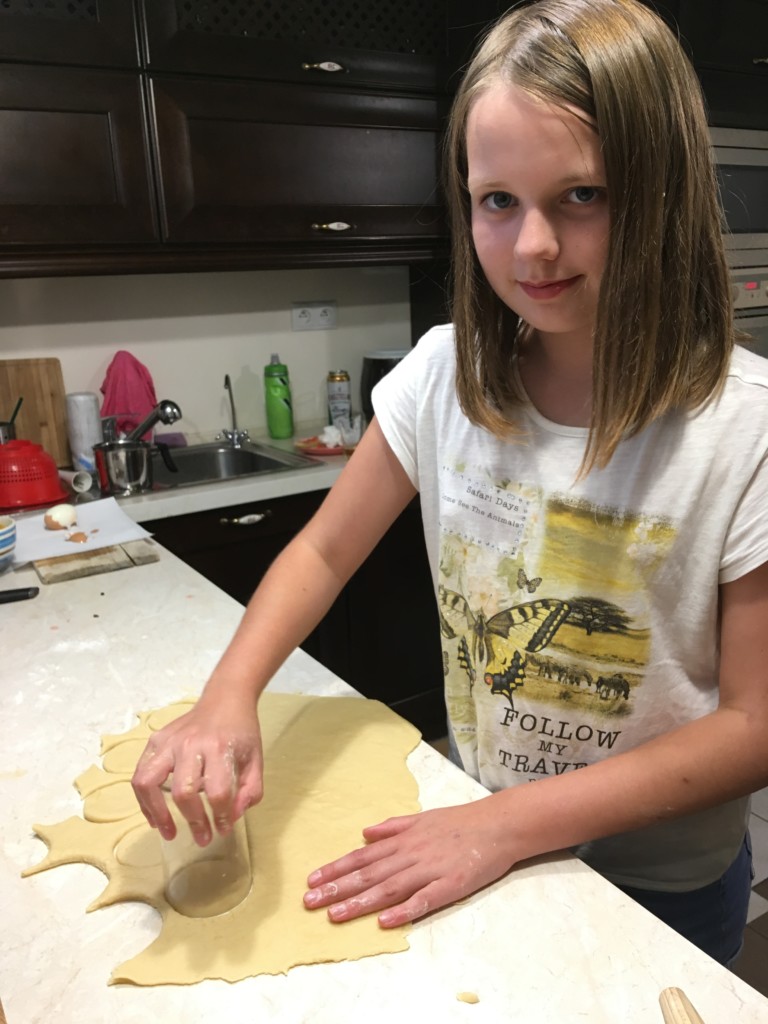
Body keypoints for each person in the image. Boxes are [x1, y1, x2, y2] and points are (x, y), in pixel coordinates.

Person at [132, 0, 768, 967]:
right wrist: (229, 694)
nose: (533, 246)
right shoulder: (443, 377)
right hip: (489, 839)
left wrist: (504, 825)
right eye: (497, 201)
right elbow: (322, 549)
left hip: (658, 886)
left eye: (583, 195)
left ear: (666, 190)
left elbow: (753, 727)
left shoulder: (743, 424)